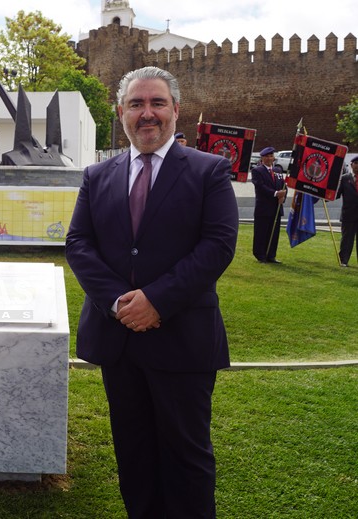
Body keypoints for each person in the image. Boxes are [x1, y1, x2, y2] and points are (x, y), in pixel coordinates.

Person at [65, 66, 238, 518]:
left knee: (186, 460)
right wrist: (119, 302)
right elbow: (78, 244)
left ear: (175, 110)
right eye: (136, 104)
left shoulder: (209, 171)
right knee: (134, 456)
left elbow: (218, 245)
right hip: (119, 341)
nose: (147, 113)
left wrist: (156, 301)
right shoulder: (96, 176)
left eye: (157, 103)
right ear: (120, 112)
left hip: (182, 341)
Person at [251, 146, 287, 263]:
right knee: (262, 232)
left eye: (271, 156)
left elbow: (283, 186)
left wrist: (283, 196)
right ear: (262, 158)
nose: (269, 158)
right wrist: (276, 194)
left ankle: (271, 255)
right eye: (266, 156)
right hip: (264, 208)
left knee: (274, 233)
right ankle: (260, 255)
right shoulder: (257, 171)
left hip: (276, 207)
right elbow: (260, 186)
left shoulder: (278, 170)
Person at [336, 155, 358, 267]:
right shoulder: (345, 178)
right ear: (351, 165)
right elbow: (337, 194)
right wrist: (325, 196)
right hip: (348, 215)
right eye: (356, 163)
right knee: (347, 240)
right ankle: (344, 261)